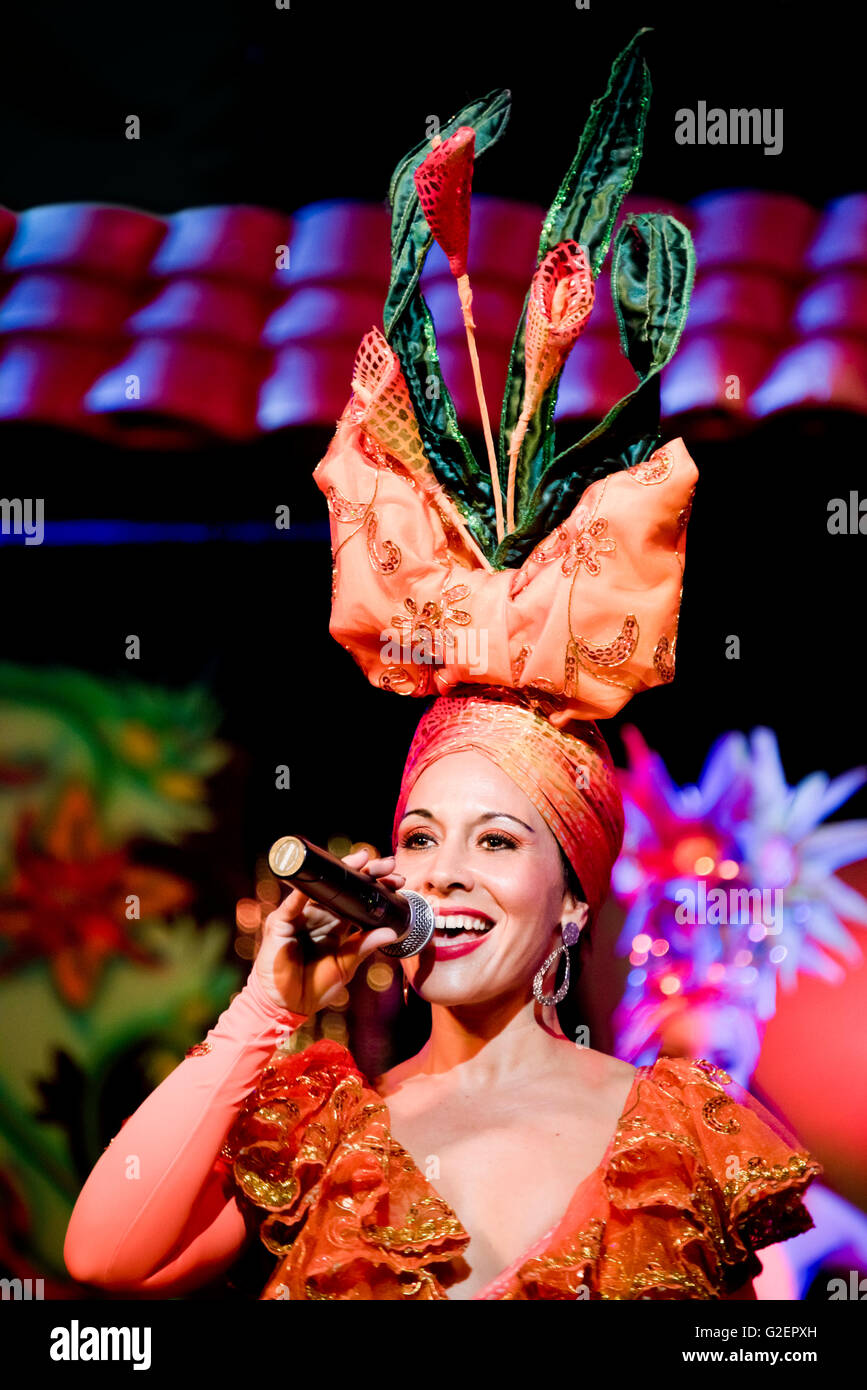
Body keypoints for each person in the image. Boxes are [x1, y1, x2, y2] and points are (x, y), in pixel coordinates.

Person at [64, 29, 822, 1300]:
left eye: (496, 841)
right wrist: (269, 1007)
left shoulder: (685, 1143)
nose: (443, 874)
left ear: (577, 893)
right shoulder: (315, 1135)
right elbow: (100, 1261)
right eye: (421, 837)